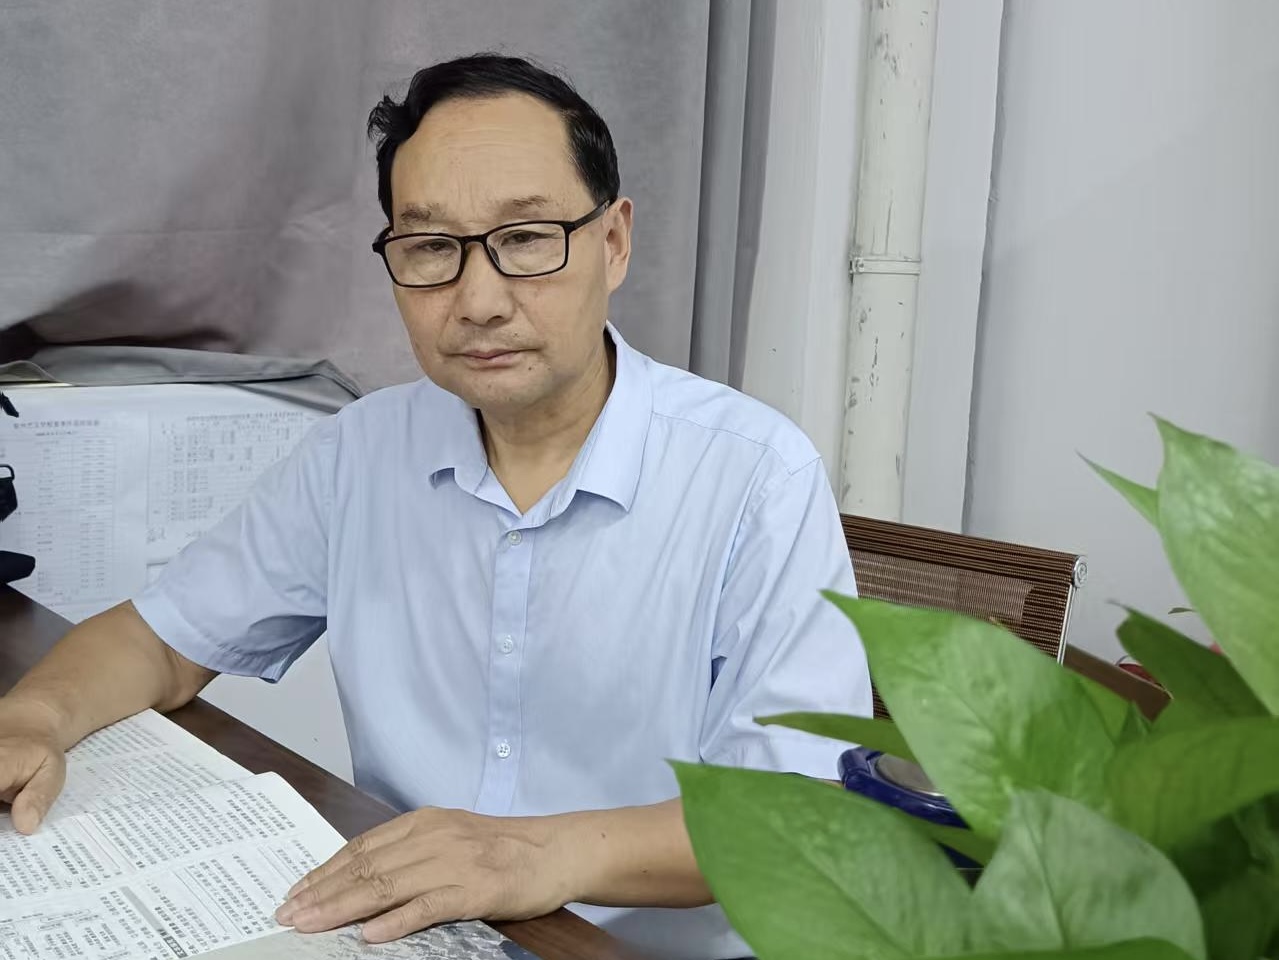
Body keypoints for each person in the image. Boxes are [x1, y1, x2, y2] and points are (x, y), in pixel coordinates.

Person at [0, 54, 870, 959]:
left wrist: (531, 855)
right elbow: (162, 640)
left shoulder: (755, 476)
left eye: (526, 238)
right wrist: (31, 722)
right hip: (419, 938)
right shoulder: (362, 450)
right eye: (430, 249)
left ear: (613, 242)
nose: (479, 301)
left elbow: (799, 814)